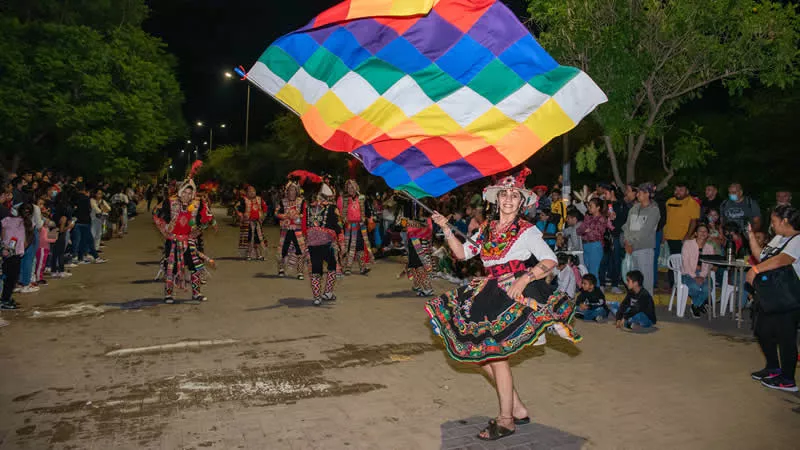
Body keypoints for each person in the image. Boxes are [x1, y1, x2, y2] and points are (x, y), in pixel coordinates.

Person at [426, 168, 580, 442]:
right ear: (496, 200)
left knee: (496, 357)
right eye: (504, 194)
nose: (509, 198)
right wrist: (447, 229)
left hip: (511, 294)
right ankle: (517, 408)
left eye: (514, 195)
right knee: (481, 355)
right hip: (487, 292)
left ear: (522, 203)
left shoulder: (527, 231)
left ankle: (507, 420)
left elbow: (550, 261)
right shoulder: (485, 228)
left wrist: (525, 278)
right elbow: (462, 254)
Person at [746, 205, 800, 392]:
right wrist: (751, 237)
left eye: (774, 221)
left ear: (785, 221)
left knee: (786, 338)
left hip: (788, 297)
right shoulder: (779, 238)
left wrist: (755, 270)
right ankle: (772, 367)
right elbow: (763, 256)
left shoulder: (797, 240)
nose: (772, 225)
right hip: (771, 295)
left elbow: (781, 260)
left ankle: (787, 379)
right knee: (762, 331)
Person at [153, 172, 215, 304]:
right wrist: (166, 230)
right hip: (173, 241)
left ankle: (196, 293)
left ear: (193, 194)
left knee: (195, 266)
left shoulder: (198, 204)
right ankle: (169, 294)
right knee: (171, 268)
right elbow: (156, 214)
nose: (186, 196)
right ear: (180, 192)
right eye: (184, 192)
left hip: (190, 241)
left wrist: (198, 230)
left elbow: (208, 217)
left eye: (189, 193)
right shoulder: (170, 202)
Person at [303, 179, 342, 306]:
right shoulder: (329, 209)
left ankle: (319, 296)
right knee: (328, 267)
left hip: (316, 244)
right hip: (324, 243)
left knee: (319, 268)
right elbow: (337, 226)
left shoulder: (309, 208)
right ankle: (325, 293)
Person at [622, 183, 660, 294]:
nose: (637, 194)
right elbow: (626, 226)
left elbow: (645, 231)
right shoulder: (634, 208)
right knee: (633, 282)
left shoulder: (654, 210)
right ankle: (636, 305)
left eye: (640, 192)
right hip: (630, 249)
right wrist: (626, 241)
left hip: (644, 249)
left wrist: (630, 242)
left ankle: (647, 308)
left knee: (646, 281)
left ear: (647, 194)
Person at [338, 179, 373, 275]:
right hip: (348, 226)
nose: (351, 189)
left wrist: (370, 220)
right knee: (348, 246)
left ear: (356, 187)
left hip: (360, 226)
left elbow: (368, 211)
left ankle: (362, 267)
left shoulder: (362, 198)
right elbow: (341, 213)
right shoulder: (344, 199)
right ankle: (347, 267)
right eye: (349, 187)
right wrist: (343, 219)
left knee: (360, 246)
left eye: (352, 187)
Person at [1, 203, 32, 309]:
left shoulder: (8, 220)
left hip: (9, 252)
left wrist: (5, 245)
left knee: (10, 277)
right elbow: (27, 240)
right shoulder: (26, 223)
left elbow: (3, 233)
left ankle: (7, 297)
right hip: (13, 253)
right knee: (11, 277)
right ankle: (5, 300)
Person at [681, 224, 715, 318]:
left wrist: (702, 276)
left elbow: (709, 265)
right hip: (688, 274)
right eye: (700, 231)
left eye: (705, 231)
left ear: (708, 234)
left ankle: (696, 305)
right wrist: (694, 276)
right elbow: (685, 263)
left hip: (703, 275)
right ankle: (702, 302)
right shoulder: (688, 244)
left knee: (707, 288)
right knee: (694, 287)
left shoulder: (709, 247)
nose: (703, 233)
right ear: (696, 233)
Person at [276, 180, 307, 279]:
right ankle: (281, 269)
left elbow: (304, 214)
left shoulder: (301, 201)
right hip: (286, 229)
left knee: (300, 250)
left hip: (297, 230)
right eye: (290, 190)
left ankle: (300, 272)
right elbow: (276, 213)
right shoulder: (283, 201)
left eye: (293, 190)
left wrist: (297, 216)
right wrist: (285, 215)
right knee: (283, 250)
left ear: (297, 191)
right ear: (287, 191)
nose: (291, 192)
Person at [577, 198, 612, 280]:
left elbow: (596, 234)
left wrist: (585, 232)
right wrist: (587, 231)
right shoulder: (588, 218)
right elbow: (578, 231)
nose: (588, 208)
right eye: (588, 206)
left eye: (590, 206)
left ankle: (596, 290)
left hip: (595, 245)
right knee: (587, 270)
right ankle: (590, 290)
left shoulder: (602, 219)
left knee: (594, 271)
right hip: (586, 245)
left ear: (598, 207)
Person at [663, 183, 700, 258]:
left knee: (681, 264)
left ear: (687, 191)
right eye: (676, 190)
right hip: (668, 238)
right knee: (669, 265)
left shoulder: (692, 203)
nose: (678, 192)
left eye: (681, 190)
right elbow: (665, 219)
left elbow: (693, 221)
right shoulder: (669, 201)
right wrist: (663, 235)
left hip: (682, 239)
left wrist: (687, 236)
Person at [74, 184, 106, 264]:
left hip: (77, 221)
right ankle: (96, 257)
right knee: (89, 240)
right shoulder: (86, 199)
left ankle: (80, 257)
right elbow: (89, 210)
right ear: (85, 190)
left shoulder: (73, 198)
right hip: (85, 222)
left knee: (81, 241)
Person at [405, 214, 434, 296]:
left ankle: (428, 289)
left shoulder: (424, 226)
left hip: (419, 247)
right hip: (415, 245)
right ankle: (419, 285)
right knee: (415, 267)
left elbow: (428, 229)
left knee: (420, 268)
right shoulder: (416, 227)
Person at [237, 185, 268, 261]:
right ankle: (248, 255)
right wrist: (241, 215)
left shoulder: (259, 199)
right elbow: (237, 208)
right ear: (246, 193)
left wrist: (263, 216)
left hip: (257, 223)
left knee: (258, 239)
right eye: (250, 191)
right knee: (249, 239)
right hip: (248, 223)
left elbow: (265, 208)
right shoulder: (243, 200)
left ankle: (259, 255)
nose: (252, 193)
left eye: (253, 191)